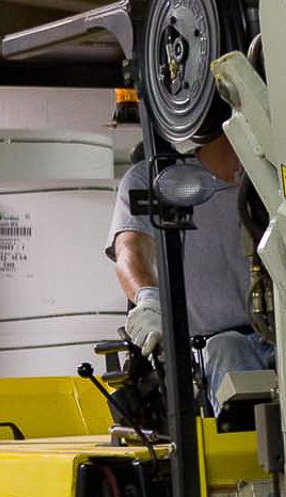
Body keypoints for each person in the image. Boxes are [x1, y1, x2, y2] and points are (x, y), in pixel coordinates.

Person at [108, 133, 273, 410]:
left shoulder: (277, 178)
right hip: (209, 348)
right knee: (228, 350)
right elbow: (131, 250)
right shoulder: (161, 179)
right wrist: (149, 299)